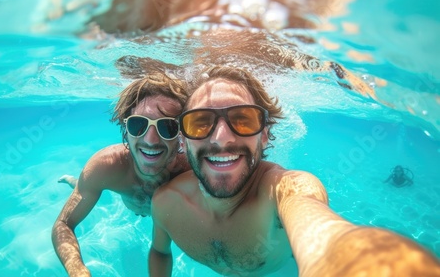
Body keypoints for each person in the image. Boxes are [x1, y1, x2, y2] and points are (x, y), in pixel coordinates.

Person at [149, 66, 440, 276]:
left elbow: (328, 239)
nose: (222, 138)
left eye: (243, 119)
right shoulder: (165, 203)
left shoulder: (286, 190)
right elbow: (160, 252)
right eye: (201, 122)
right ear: (183, 141)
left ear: (263, 136)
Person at [52, 72, 191, 277]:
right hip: (131, 202)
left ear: (181, 134)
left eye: (167, 127)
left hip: (160, 213)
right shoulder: (106, 166)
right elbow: (63, 224)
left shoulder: (191, 172)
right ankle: (74, 182)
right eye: (138, 124)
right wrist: (78, 271)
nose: (151, 140)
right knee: (86, 184)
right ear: (125, 127)